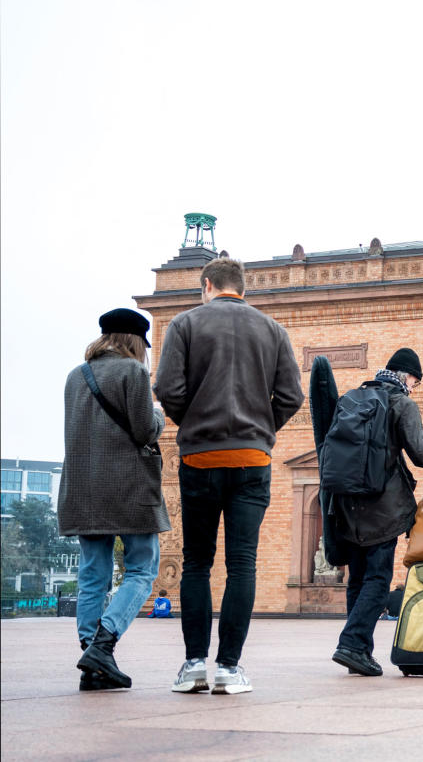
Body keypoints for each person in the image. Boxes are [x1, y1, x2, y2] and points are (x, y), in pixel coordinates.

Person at [156, 257, 304, 695]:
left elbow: (167, 389)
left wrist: (194, 424)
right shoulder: (273, 330)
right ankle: (229, 668)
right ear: (243, 288)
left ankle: (194, 665)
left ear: (207, 286)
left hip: (199, 459)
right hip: (251, 461)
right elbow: (292, 395)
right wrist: (260, 429)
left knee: (197, 564)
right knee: (243, 564)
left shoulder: (184, 325)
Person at [329, 349, 423, 677]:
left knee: (359, 578)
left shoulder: (355, 396)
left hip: (348, 503)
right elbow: (420, 452)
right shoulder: (400, 402)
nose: (413, 388)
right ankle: (352, 643)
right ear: (408, 376)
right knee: (378, 578)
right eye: (415, 383)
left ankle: (359, 650)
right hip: (383, 505)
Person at [59, 308, 169, 691]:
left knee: (93, 575)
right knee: (142, 569)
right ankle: (104, 644)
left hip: (83, 490)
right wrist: (160, 416)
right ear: (135, 342)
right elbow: (143, 431)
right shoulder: (133, 372)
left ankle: (92, 662)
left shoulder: (76, 376)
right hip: (130, 489)